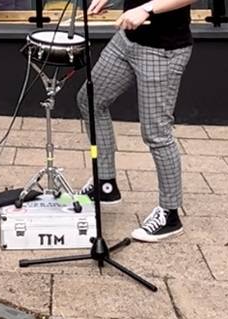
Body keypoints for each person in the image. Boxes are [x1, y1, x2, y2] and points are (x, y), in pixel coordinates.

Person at [78, 0, 195, 242]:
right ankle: (105, 183)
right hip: (127, 41)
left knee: (156, 133)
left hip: (163, 51)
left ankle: (170, 214)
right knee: (90, 100)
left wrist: (147, 9)